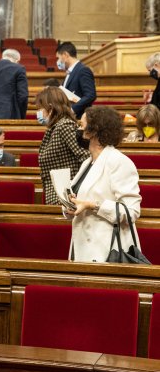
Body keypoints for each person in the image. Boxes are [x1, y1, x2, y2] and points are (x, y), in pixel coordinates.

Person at [65, 106, 142, 263]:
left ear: (94, 130)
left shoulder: (119, 162)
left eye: (81, 125)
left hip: (107, 250)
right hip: (82, 247)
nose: (78, 129)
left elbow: (131, 212)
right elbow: (79, 198)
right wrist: (70, 205)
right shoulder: (88, 162)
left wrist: (93, 205)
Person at [35, 87, 89, 205]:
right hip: (59, 195)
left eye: (40, 108)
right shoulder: (55, 127)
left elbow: (86, 157)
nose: (38, 113)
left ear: (51, 107)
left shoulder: (65, 126)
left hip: (68, 196)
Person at [56, 42, 96, 118]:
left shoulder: (83, 70)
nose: (58, 61)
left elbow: (90, 95)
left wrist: (72, 110)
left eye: (58, 58)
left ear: (65, 55)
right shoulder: (70, 72)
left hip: (79, 117)